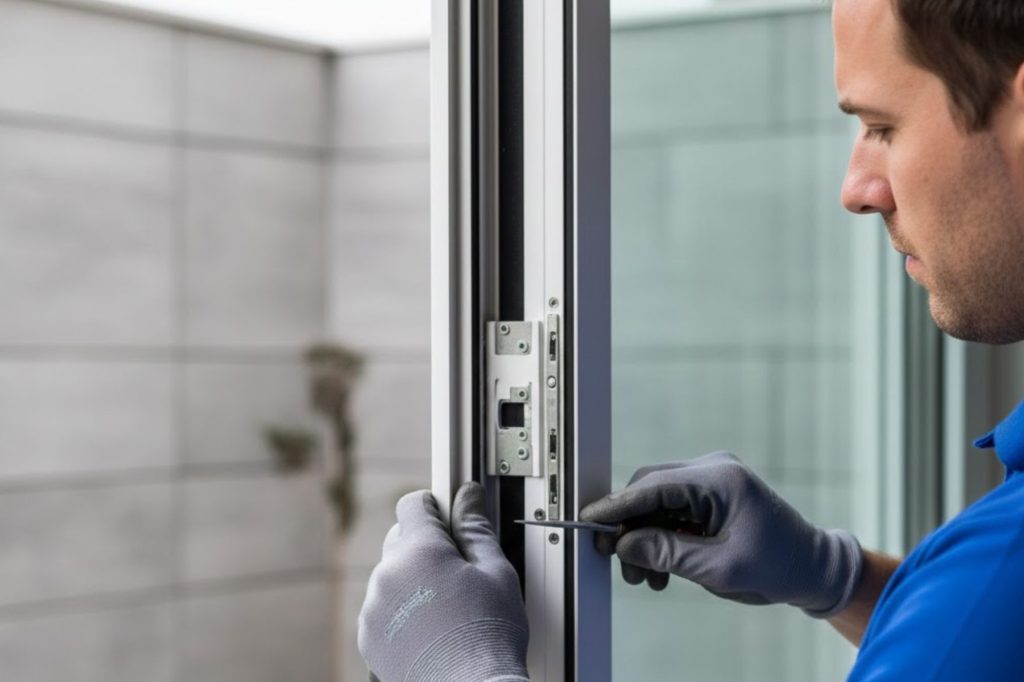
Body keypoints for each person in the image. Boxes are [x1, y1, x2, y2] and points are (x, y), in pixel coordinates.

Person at [357, 0, 1024, 679]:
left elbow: (973, 634)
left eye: (882, 126)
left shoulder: (1002, 574)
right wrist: (839, 579)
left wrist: (463, 671)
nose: (856, 189)